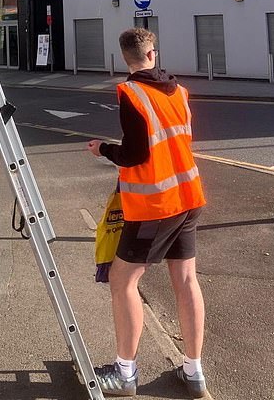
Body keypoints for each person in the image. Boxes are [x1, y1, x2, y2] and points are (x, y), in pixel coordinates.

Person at [87, 28, 207, 399]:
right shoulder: (180, 92)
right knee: (186, 280)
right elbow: (170, 141)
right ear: (153, 53)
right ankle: (193, 372)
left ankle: (125, 375)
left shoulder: (130, 93)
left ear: (125, 58)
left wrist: (103, 150)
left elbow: (136, 154)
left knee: (123, 282)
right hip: (188, 196)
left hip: (154, 203)